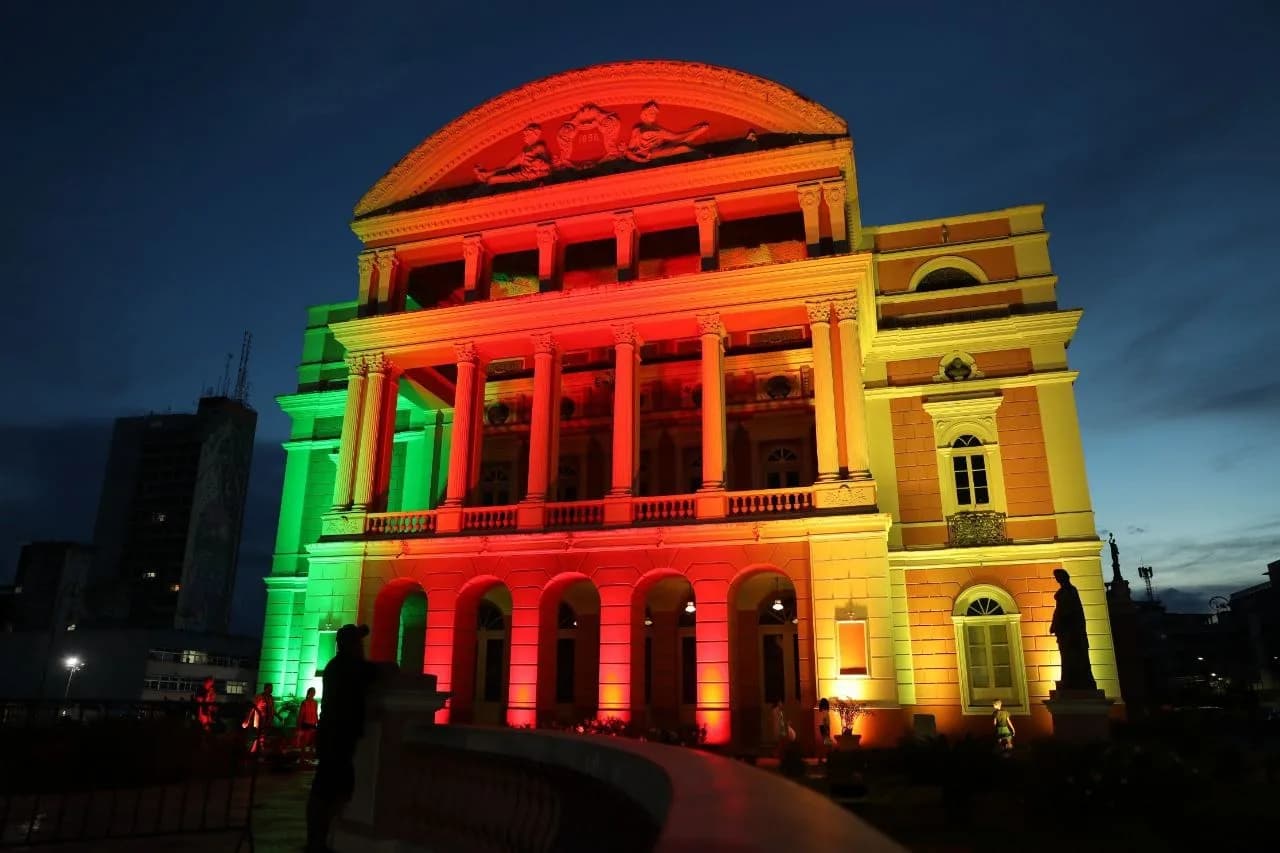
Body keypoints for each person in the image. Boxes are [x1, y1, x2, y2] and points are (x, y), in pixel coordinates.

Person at [306, 624, 378, 853]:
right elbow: (373, 672)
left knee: (326, 789)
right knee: (333, 790)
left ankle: (320, 839)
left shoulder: (337, 666)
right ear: (349, 644)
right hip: (338, 738)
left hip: (332, 736)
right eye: (358, 642)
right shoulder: (348, 666)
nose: (361, 646)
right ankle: (322, 840)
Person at [243, 682, 278, 754]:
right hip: (260, 720)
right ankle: (253, 751)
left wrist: (278, 716)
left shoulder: (271, 698)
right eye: (270, 688)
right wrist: (247, 720)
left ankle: (259, 750)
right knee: (257, 736)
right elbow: (253, 708)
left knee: (264, 736)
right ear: (266, 689)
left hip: (268, 720)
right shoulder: (259, 697)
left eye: (272, 688)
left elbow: (272, 709)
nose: (271, 690)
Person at [296, 687, 319, 756]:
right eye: (312, 692)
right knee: (305, 741)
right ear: (309, 693)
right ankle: (302, 757)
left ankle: (310, 756)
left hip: (313, 723)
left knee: (313, 741)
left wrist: (317, 721)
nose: (313, 693)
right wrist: (299, 725)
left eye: (314, 692)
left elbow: (315, 713)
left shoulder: (315, 702)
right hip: (306, 723)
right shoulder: (304, 702)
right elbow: (301, 714)